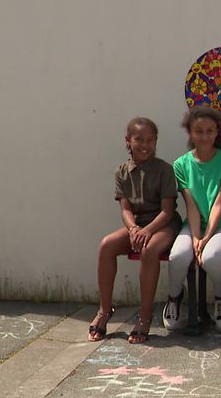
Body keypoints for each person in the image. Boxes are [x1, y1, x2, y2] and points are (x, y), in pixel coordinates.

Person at [88, 117, 182, 344]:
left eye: (150, 140)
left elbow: (167, 211)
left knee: (149, 250)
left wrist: (147, 230)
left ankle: (145, 316)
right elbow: (125, 208)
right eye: (139, 139)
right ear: (128, 141)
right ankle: (104, 310)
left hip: (162, 225)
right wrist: (132, 229)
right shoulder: (122, 171)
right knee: (106, 245)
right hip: (137, 225)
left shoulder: (164, 170)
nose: (145, 145)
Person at [163, 106, 221, 332]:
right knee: (178, 256)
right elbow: (192, 206)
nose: (204, 136)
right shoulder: (181, 165)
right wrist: (196, 236)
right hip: (194, 224)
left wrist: (206, 237)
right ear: (190, 133)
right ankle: (174, 297)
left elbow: (219, 202)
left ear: (217, 132)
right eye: (199, 131)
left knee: (211, 257)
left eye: (209, 131)